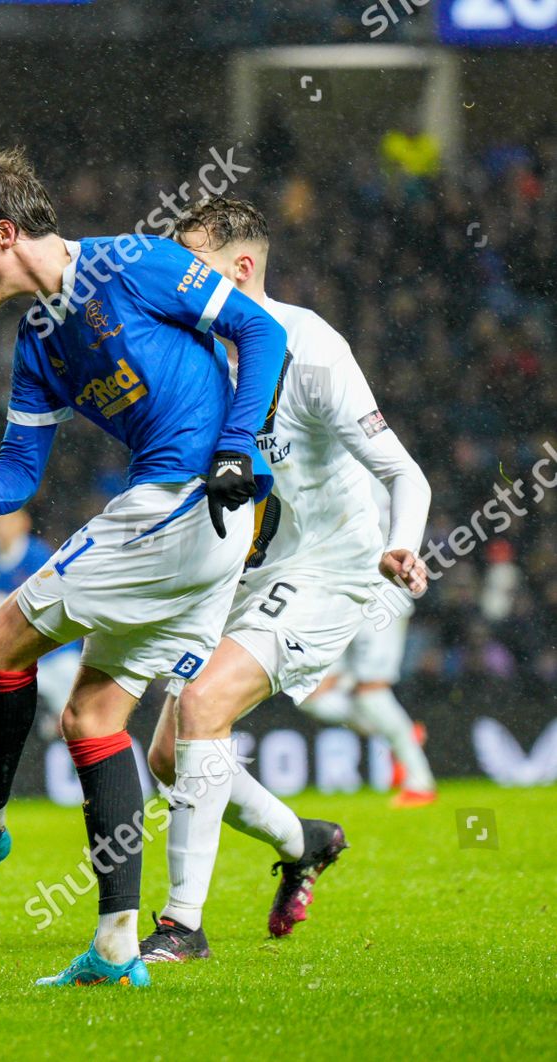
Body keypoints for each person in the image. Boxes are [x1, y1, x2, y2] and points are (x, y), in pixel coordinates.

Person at [0, 148, 287, 988]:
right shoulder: (37, 341)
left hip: (184, 499)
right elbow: (22, 471)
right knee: (93, 720)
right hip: (191, 521)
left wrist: (240, 449)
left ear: (3, 230)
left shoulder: (134, 262)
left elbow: (262, 328)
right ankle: (114, 949)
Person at [141, 197, 430, 963]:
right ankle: (306, 841)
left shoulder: (313, 350)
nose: (176, 280)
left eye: (190, 263)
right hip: (251, 566)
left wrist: (402, 547)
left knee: (205, 704)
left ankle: (182, 925)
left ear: (240, 269)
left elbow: (406, 475)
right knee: (169, 756)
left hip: (332, 567)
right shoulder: (193, 352)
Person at [300, 483, 436, 807]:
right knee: (309, 695)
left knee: (371, 692)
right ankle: (399, 736)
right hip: (339, 594)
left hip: (381, 593)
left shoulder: (365, 467)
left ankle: (420, 783)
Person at [0, 510, 81, 732]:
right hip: (15, 658)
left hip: (56, 653)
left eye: (3, 518)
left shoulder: (39, 555)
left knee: (75, 724)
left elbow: (45, 606)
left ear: (23, 521)